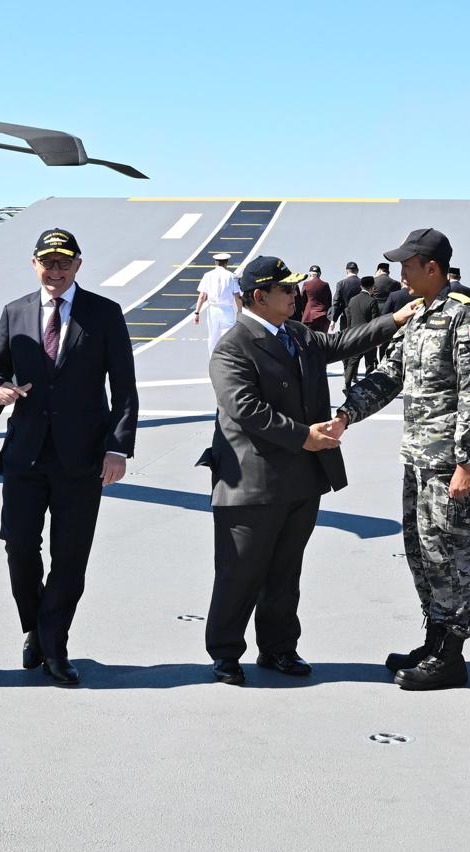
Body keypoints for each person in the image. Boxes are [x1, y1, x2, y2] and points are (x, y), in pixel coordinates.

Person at [201, 256, 411, 686]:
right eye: (286, 289)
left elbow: (342, 343)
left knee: (285, 571)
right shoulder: (232, 347)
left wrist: (395, 319)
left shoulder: (296, 334)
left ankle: (278, 648)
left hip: (299, 479)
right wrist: (304, 437)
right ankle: (225, 653)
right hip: (252, 481)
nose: (295, 295)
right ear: (260, 296)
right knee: (240, 572)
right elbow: (245, 409)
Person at [334, 228, 470, 692]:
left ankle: (452, 655)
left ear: (432, 268)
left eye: (409, 264)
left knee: (448, 553)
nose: (401, 272)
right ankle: (434, 639)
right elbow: (390, 375)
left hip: (447, 463)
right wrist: (345, 414)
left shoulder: (465, 320)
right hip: (417, 459)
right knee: (420, 550)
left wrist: (467, 463)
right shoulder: (418, 317)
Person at [0, 228, 138, 686]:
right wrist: (1, 393)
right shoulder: (15, 312)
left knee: (70, 558)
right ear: (35, 265)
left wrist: (117, 447)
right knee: (20, 549)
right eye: (47, 263)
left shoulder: (104, 314)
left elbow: (124, 388)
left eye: (63, 263)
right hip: (25, 457)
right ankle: (36, 625)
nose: (55, 271)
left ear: (78, 265)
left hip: (82, 459)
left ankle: (54, 645)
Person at [193, 252, 242, 356]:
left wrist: (197, 313)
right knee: (228, 336)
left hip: (213, 309)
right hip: (227, 310)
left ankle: (212, 360)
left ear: (216, 263)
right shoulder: (232, 276)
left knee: (213, 336)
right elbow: (237, 296)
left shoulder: (208, 275)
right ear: (226, 263)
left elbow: (202, 296)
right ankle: (227, 358)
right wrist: (240, 311)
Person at [343, 275, 381, 390]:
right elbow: (375, 321)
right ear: (373, 287)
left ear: (361, 286)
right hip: (368, 336)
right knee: (370, 362)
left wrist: (349, 331)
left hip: (354, 334)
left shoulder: (352, 300)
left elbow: (348, 318)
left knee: (352, 361)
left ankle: (347, 383)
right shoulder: (372, 301)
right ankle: (367, 386)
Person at [300, 264, 332, 332]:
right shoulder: (325, 285)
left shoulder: (306, 284)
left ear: (310, 275)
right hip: (323, 317)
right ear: (319, 274)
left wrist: (303, 313)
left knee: (309, 339)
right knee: (322, 340)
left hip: (309, 317)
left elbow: (302, 301)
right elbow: (329, 302)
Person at [330, 261, 362, 329]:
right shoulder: (363, 283)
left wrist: (333, 321)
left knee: (345, 338)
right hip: (361, 318)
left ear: (346, 271)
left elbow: (336, 303)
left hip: (346, 317)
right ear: (357, 270)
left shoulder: (341, 284)